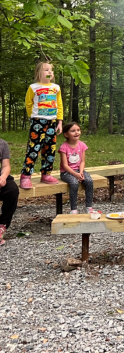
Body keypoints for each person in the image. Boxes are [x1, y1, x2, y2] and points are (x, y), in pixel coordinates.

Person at [20, 61, 63, 189]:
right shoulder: (33, 87)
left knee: (50, 149)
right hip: (38, 122)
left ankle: (46, 174)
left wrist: (59, 121)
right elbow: (28, 103)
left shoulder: (56, 88)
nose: (50, 72)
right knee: (34, 148)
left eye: (51, 70)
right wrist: (33, 117)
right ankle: (26, 176)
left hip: (52, 122)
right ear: (39, 73)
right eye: (46, 70)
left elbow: (59, 105)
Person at [58, 123, 94, 214]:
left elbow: (82, 161)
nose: (76, 132)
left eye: (78, 130)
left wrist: (81, 173)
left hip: (79, 170)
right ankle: (73, 209)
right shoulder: (64, 147)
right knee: (74, 183)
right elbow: (65, 165)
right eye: (73, 131)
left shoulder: (82, 145)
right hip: (66, 172)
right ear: (66, 134)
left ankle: (89, 207)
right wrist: (76, 175)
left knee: (89, 181)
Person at [0, 138, 20, 245]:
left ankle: (2, 225)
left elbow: (6, 166)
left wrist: (3, 177)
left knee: (12, 190)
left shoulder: (2, 143)